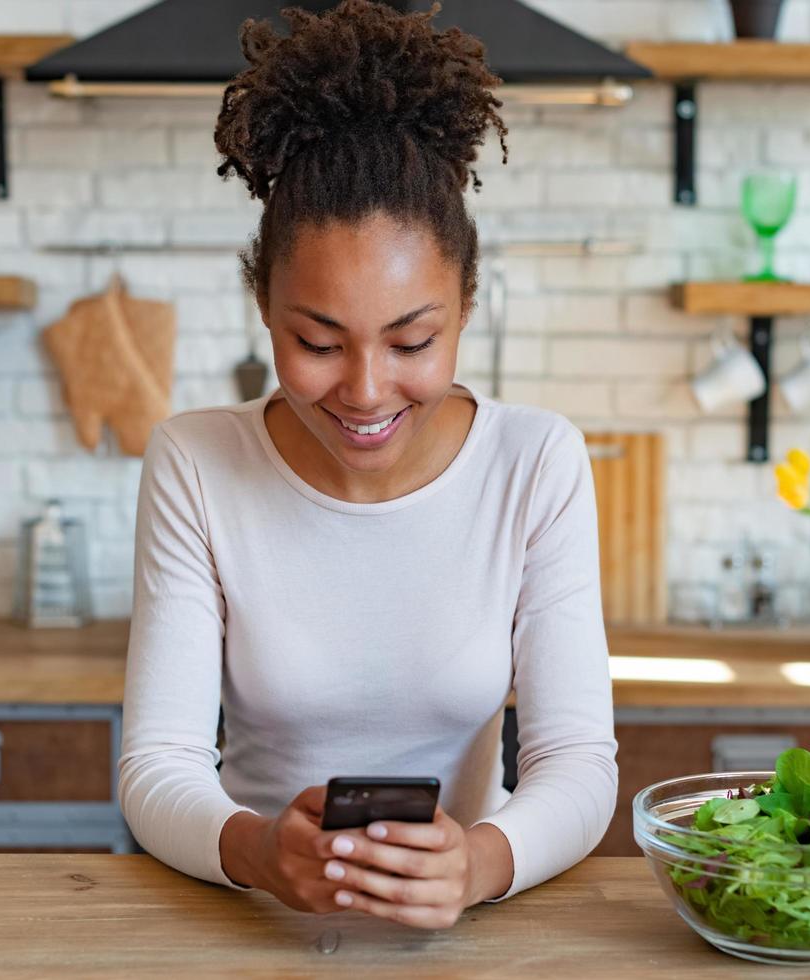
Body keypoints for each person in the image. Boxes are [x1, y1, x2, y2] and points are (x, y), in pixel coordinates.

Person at [120, 0, 617, 930]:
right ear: (264, 311)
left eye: (410, 341)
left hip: (468, 930)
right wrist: (261, 854)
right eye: (317, 341)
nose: (362, 389)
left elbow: (578, 761)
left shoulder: (534, 461)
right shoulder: (196, 461)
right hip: (253, 923)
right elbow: (157, 766)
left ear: (465, 306)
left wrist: (477, 862)